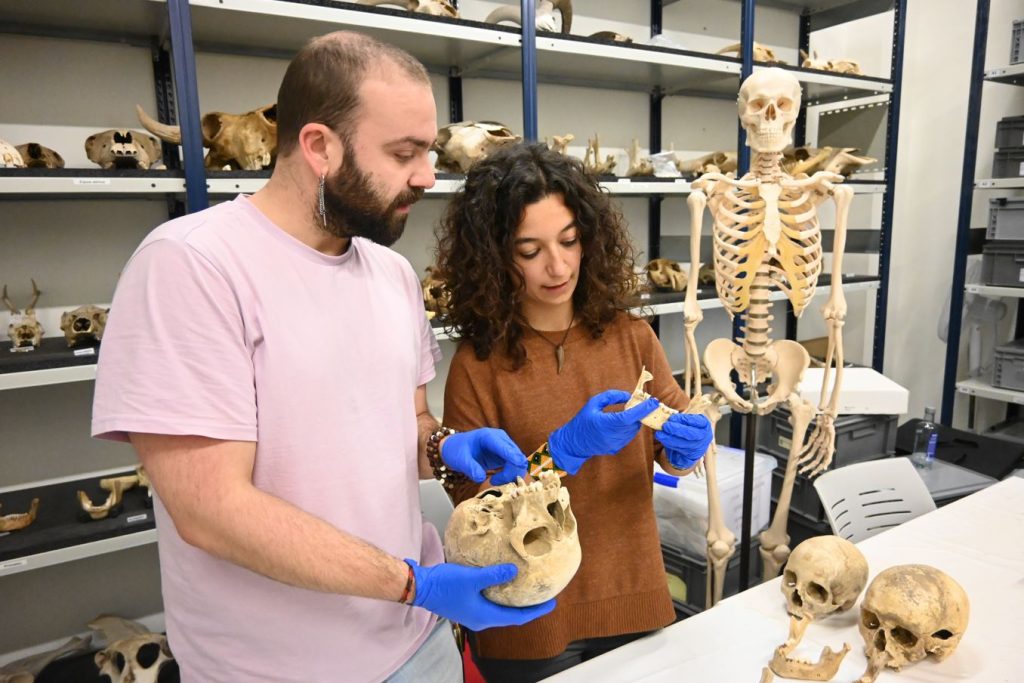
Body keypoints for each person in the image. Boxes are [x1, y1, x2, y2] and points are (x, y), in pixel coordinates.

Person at [90, 32, 555, 683]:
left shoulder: (391, 275)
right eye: (404, 153)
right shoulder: (193, 267)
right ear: (318, 146)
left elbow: (407, 422)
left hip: (418, 645)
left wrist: (443, 445)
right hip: (278, 670)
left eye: (427, 150)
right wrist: (409, 582)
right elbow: (211, 509)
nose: (427, 175)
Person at [434, 142, 715, 682]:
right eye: (529, 250)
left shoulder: (632, 337)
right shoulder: (479, 364)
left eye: (568, 241)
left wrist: (687, 445)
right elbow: (477, 514)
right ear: (495, 256)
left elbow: (672, 445)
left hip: (631, 594)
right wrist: (560, 453)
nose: (558, 266)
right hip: (529, 621)